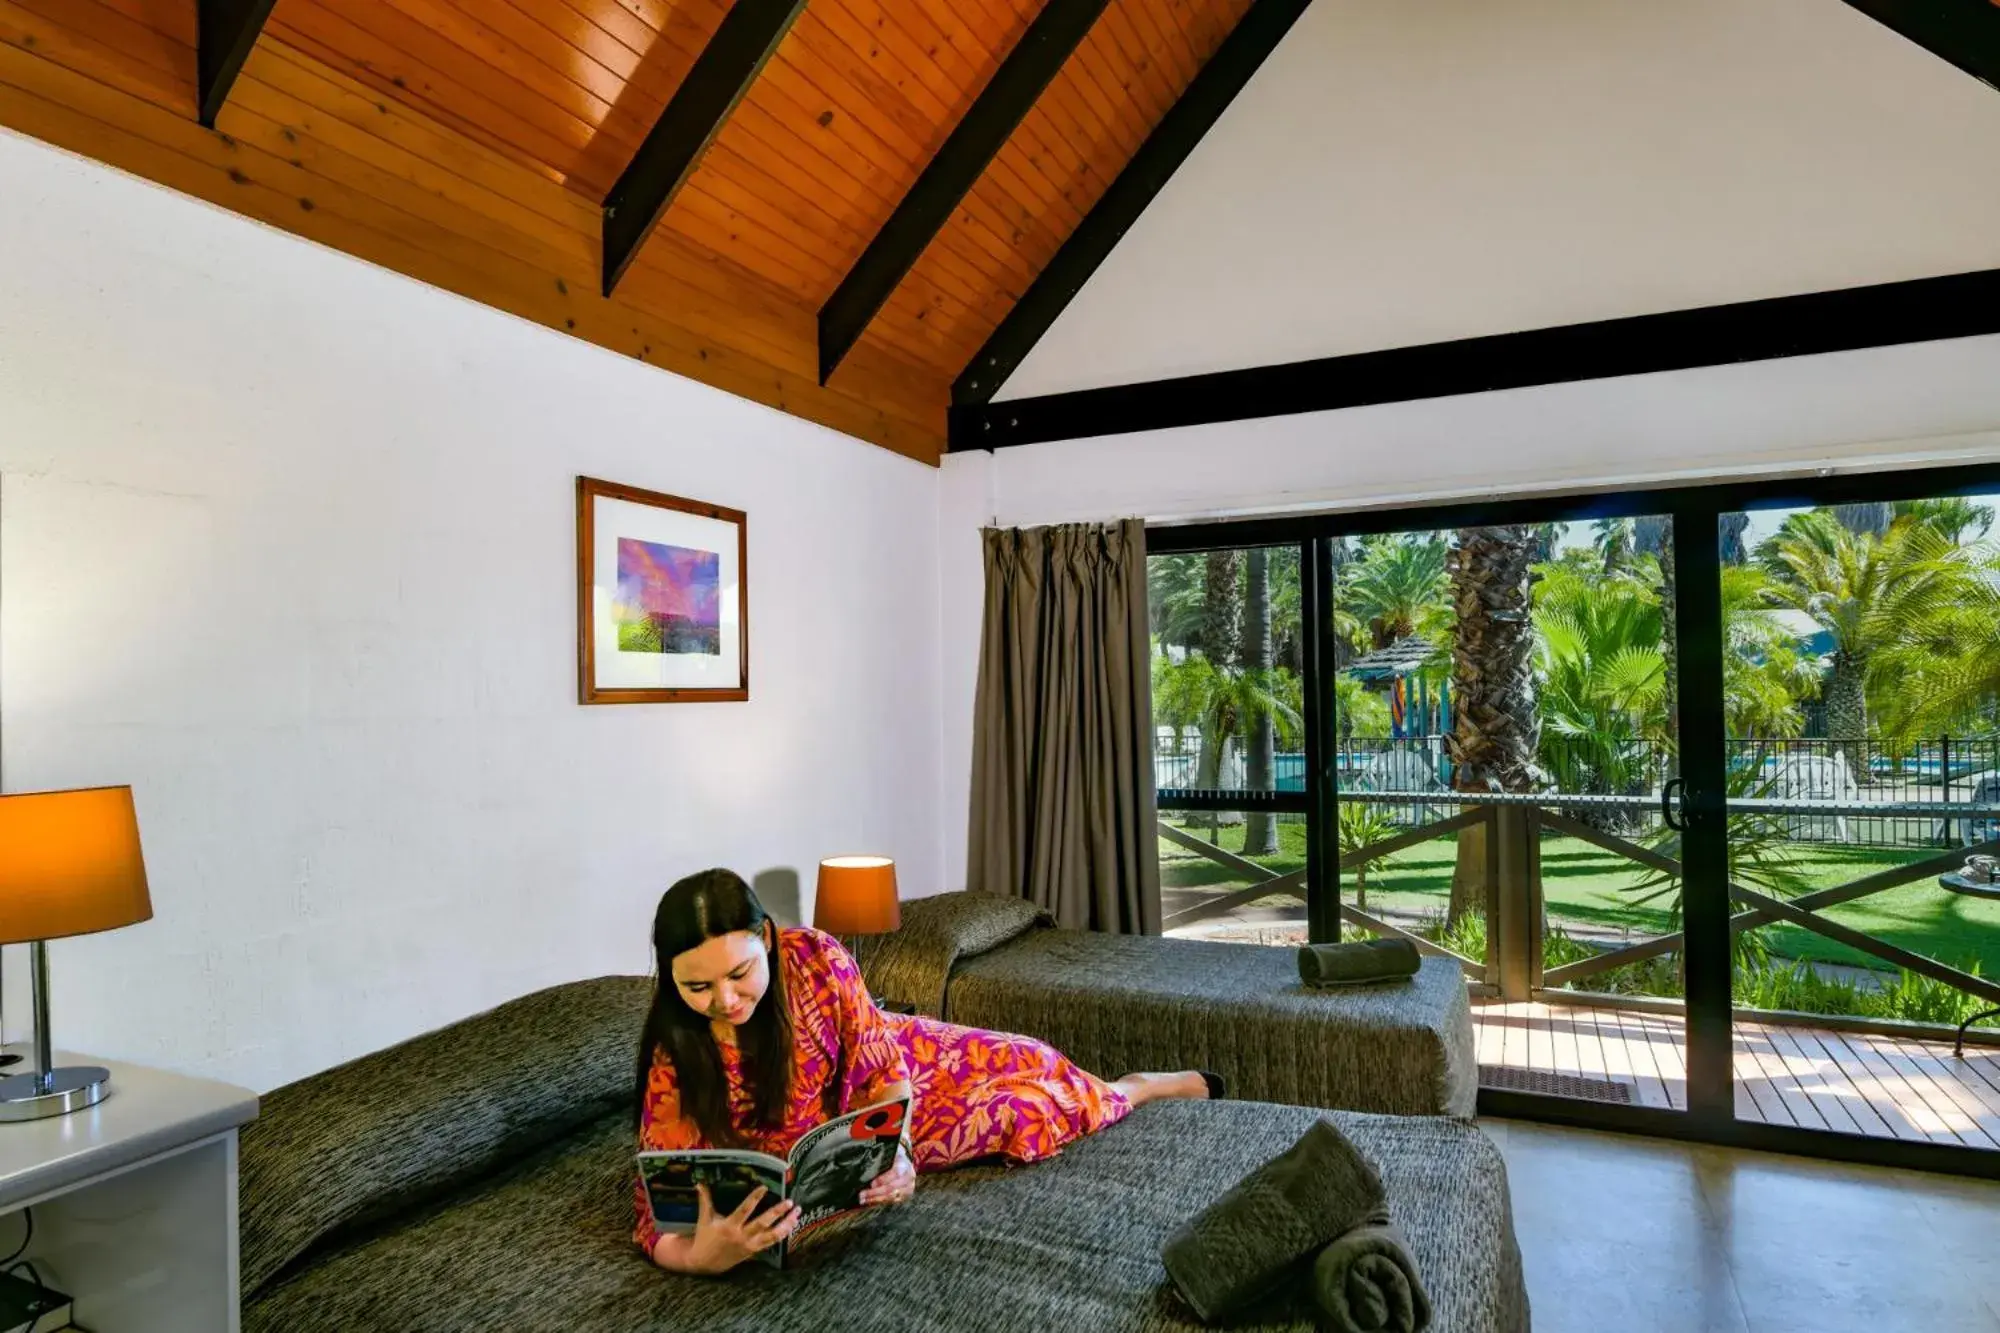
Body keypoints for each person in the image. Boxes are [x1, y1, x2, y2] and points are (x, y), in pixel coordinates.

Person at [633, 868, 1221, 1275]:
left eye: (739, 974)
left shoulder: (816, 956)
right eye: (698, 986)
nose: (726, 1000)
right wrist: (698, 1258)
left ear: (766, 938)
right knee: (1023, 1112)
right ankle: (1130, 1094)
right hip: (802, 1143)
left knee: (1031, 1057)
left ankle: (1132, 1085)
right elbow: (656, 1204)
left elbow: (881, 1066)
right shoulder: (674, 1050)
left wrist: (899, 1151)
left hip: (893, 1063)